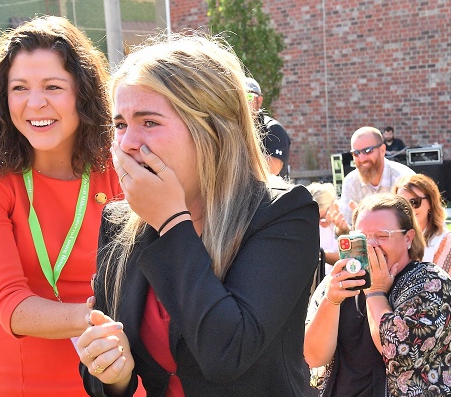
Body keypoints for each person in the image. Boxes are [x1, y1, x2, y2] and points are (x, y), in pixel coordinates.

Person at [75, 34, 319, 396]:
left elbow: (227, 355)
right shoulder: (119, 221)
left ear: (212, 130)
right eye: (121, 124)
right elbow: (102, 371)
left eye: (149, 122)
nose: (126, 143)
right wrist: (113, 373)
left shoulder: (283, 212)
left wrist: (171, 222)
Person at [0, 16, 121, 396]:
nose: (34, 103)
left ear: (83, 93)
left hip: (117, 368)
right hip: (19, 379)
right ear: (2, 97)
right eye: (19, 88)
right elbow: (9, 303)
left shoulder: (120, 166)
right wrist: (103, 316)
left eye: (52, 86)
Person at [305, 193, 451, 396]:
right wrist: (331, 301)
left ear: (408, 238)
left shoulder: (432, 283)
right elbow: (313, 358)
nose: (371, 245)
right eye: (362, 237)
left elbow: (397, 353)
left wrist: (375, 293)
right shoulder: (337, 283)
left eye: (382, 236)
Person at [392, 173, 451, 292]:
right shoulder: (392, 237)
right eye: (401, 204)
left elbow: (439, 288)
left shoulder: (446, 240)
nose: (408, 209)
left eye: (414, 202)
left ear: (430, 202)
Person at [336, 127, 414, 233]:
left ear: (382, 150)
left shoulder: (403, 178)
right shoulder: (351, 182)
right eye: (356, 153)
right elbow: (348, 227)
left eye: (367, 151)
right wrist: (344, 229)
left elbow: (414, 229)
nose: (362, 159)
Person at [245, 77, 291, 178]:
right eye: (239, 97)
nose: (243, 102)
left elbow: (273, 169)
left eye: (248, 97)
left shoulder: (274, 129)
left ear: (259, 101)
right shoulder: (231, 129)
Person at [306, 182, 339, 272]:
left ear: (332, 204)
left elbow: (348, 259)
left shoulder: (342, 220)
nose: (320, 222)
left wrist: (318, 253)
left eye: (322, 217)